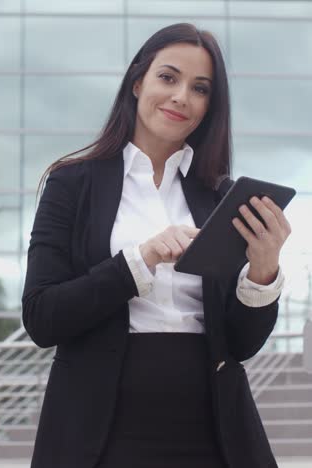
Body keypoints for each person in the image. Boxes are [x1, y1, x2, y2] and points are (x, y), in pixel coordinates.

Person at [22, 23, 291, 468]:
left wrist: (263, 273)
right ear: (137, 82)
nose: (182, 96)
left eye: (200, 88)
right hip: (101, 431)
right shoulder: (71, 185)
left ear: (210, 106)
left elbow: (240, 343)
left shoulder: (221, 198)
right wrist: (140, 261)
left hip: (213, 429)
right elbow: (42, 317)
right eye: (168, 78)